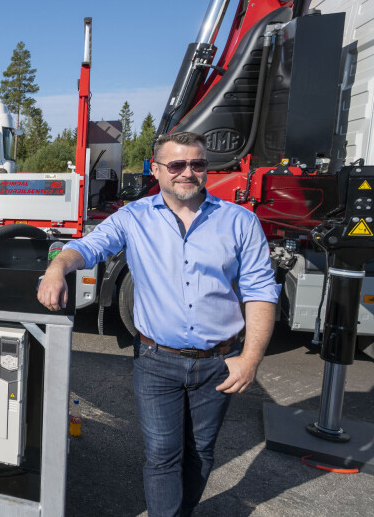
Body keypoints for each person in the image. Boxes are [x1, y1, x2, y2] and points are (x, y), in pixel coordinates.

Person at [37, 132, 278, 516]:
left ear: (206, 168)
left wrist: (250, 359)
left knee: (201, 452)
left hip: (219, 362)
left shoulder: (241, 222)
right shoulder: (134, 218)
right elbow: (86, 247)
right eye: (177, 165)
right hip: (156, 361)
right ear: (156, 168)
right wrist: (55, 269)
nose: (187, 173)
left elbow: (261, 293)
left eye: (197, 164)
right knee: (162, 454)